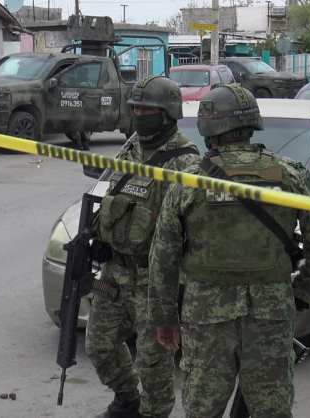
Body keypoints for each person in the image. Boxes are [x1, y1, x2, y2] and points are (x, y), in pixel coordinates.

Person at [147, 85, 310, 418]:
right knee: (271, 410)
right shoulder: (288, 175)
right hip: (271, 315)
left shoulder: (189, 182)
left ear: (208, 128)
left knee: (202, 410)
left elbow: (163, 257)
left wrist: (164, 318)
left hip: (206, 318)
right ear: (252, 124)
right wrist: (304, 294)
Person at [87, 76, 200, 418]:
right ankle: (126, 399)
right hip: (114, 270)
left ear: (167, 114)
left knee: (153, 364)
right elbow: (108, 194)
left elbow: (192, 229)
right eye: (134, 108)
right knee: (100, 346)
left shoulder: (185, 162)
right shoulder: (131, 147)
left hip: (155, 279)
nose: (138, 115)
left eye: (146, 110)